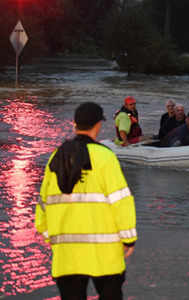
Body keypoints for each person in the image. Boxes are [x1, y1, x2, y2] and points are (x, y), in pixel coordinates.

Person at [35, 102, 137, 300]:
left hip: (66, 255)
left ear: (75, 124)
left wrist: (52, 238)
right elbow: (121, 202)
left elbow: (43, 205)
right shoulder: (105, 157)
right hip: (104, 254)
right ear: (98, 125)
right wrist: (128, 239)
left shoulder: (56, 157)